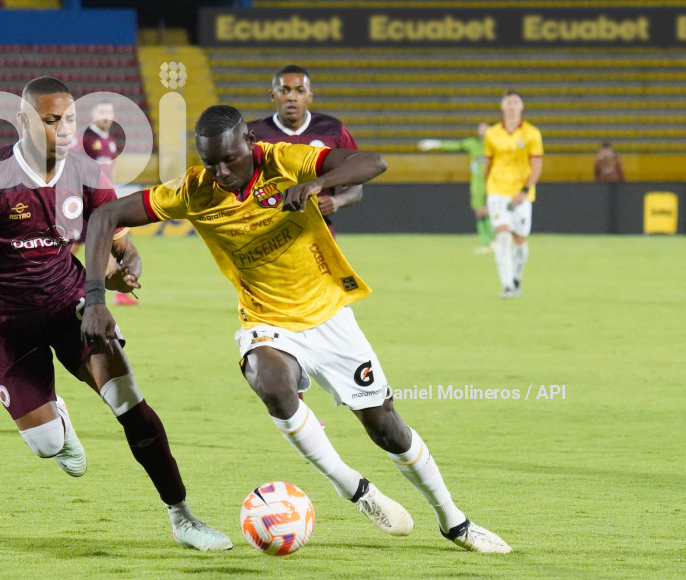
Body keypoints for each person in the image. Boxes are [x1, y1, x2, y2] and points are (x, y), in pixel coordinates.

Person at [82, 105, 513, 553]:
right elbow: (102, 218)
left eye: (230, 159)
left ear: (249, 142)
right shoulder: (195, 191)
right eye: (211, 162)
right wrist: (96, 299)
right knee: (268, 379)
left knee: (386, 428)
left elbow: (373, 162)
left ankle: (454, 521)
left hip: (329, 315)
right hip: (266, 320)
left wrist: (316, 183)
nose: (222, 171)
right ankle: (352, 487)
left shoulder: (284, 160)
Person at [0, 77, 232, 552]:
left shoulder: (87, 173)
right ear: (23, 122)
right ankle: (58, 425)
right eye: (52, 121)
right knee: (48, 445)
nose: (64, 130)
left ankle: (183, 517)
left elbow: (117, 236)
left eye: (69, 119)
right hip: (6, 326)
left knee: (130, 403)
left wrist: (124, 267)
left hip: (73, 307)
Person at [247, 64, 362, 234]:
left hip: (318, 232)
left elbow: (356, 184)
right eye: (284, 90)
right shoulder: (252, 134)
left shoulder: (333, 130)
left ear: (310, 95)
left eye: (299, 91)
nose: (292, 97)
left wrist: (338, 200)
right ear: (273, 95)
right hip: (268, 233)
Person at [71, 101, 137, 305]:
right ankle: (46, 277)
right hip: (84, 200)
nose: (106, 116)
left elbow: (110, 171)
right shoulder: (82, 139)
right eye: (102, 112)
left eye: (110, 112)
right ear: (93, 114)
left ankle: (120, 292)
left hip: (103, 201)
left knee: (111, 241)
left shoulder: (110, 141)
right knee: (72, 244)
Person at [483, 90, 543, 299]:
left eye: (516, 102)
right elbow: (487, 164)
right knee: (503, 236)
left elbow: (536, 164)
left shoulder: (532, 133)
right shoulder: (492, 134)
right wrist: (486, 190)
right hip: (497, 190)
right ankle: (507, 285)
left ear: (522, 107)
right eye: (508, 102)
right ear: (502, 106)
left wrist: (525, 190)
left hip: (521, 193)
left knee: (520, 240)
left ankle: (517, 277)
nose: (512, 106)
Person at [419, 123, 496, 254]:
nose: (482, 131)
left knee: (490, 211)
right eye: (480, 129)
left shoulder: (496, 145)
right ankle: (486, 243)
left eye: (485, 129)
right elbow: (456, 145)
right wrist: (436, 144)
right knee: (479, 212)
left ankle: (495, 241)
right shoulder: (473, 144)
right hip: (477, 183)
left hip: (493, 182)